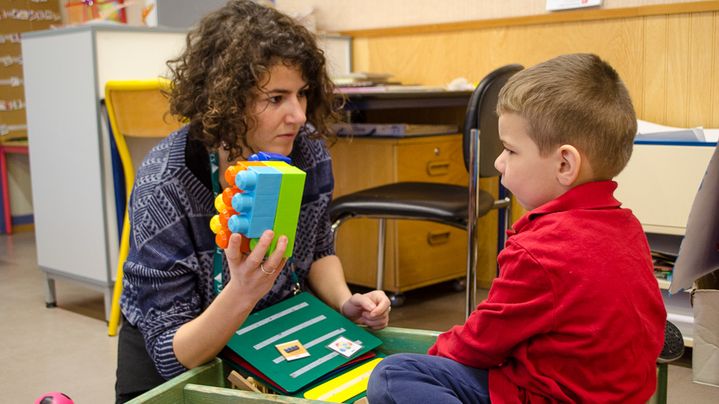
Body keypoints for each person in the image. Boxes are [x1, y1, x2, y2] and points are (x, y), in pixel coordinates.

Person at [114, 1, 391, 402]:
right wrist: (243, 291)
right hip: (179, 348)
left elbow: (316, 252)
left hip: (268, 328)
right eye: (276, 98)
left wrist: (346, 300)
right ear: (224, 100)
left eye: (302, 94)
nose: (297, 115)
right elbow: (174, 356)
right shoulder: (165, 183)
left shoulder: (307, 154)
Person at [367, 53, 666, 403]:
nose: (498, 161)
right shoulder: (627, 226)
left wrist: (433, 356)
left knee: (393, 375)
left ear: (565, 164)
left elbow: (479, 343)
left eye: (510, 150)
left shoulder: (541, 251)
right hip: (619, 393)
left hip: (549, 394)